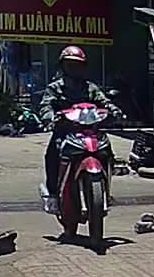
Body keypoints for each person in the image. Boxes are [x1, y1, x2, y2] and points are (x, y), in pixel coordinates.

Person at [40, 46, 121, 213]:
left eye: (77, 64)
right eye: (69, 64)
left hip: (89, 130)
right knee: (52, 154)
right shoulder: (55, 88)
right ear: (63, 66)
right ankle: (53, 195)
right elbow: (46, 106)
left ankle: (106, 188)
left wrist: (113, 110)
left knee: (106, 150)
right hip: (65, 131)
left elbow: (103, 101)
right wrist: (50, 117)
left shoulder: (90, 88)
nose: (73, 68)